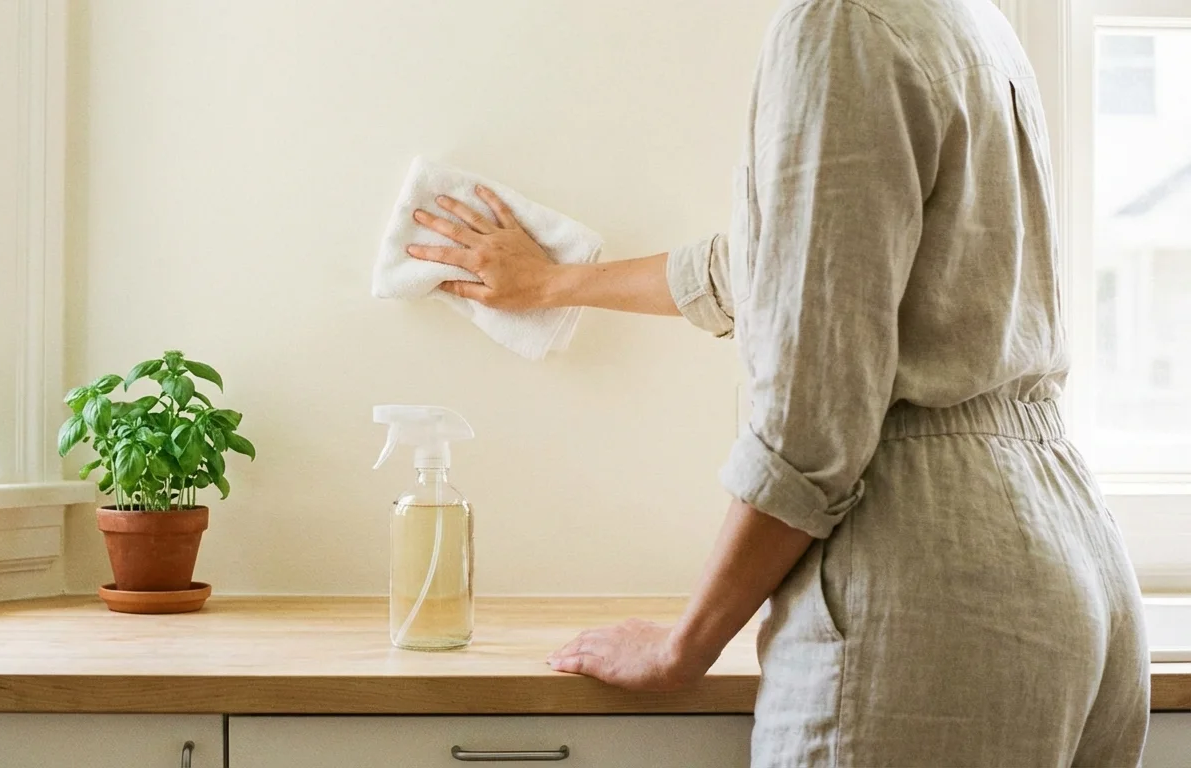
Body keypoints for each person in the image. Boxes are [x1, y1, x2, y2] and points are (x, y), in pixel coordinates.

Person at [405, 0, 1151, 764]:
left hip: (929, 594)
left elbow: (810, 420)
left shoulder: (843, 22)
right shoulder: (965, 16)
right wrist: (556, 283)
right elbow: (801, 258)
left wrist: (684, 642)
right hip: (1065, 562)